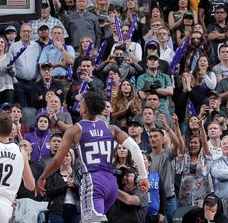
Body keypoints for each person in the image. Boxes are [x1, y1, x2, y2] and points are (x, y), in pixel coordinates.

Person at [36, 92, 150, 223]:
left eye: (81, 104)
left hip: (93, 182)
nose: (79, 106)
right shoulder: (111, 128)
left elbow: (57, 161)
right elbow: (134, 148)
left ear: (85, 108)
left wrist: (42, 177)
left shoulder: (75, 130)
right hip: (111, 184)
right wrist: (143, 176)